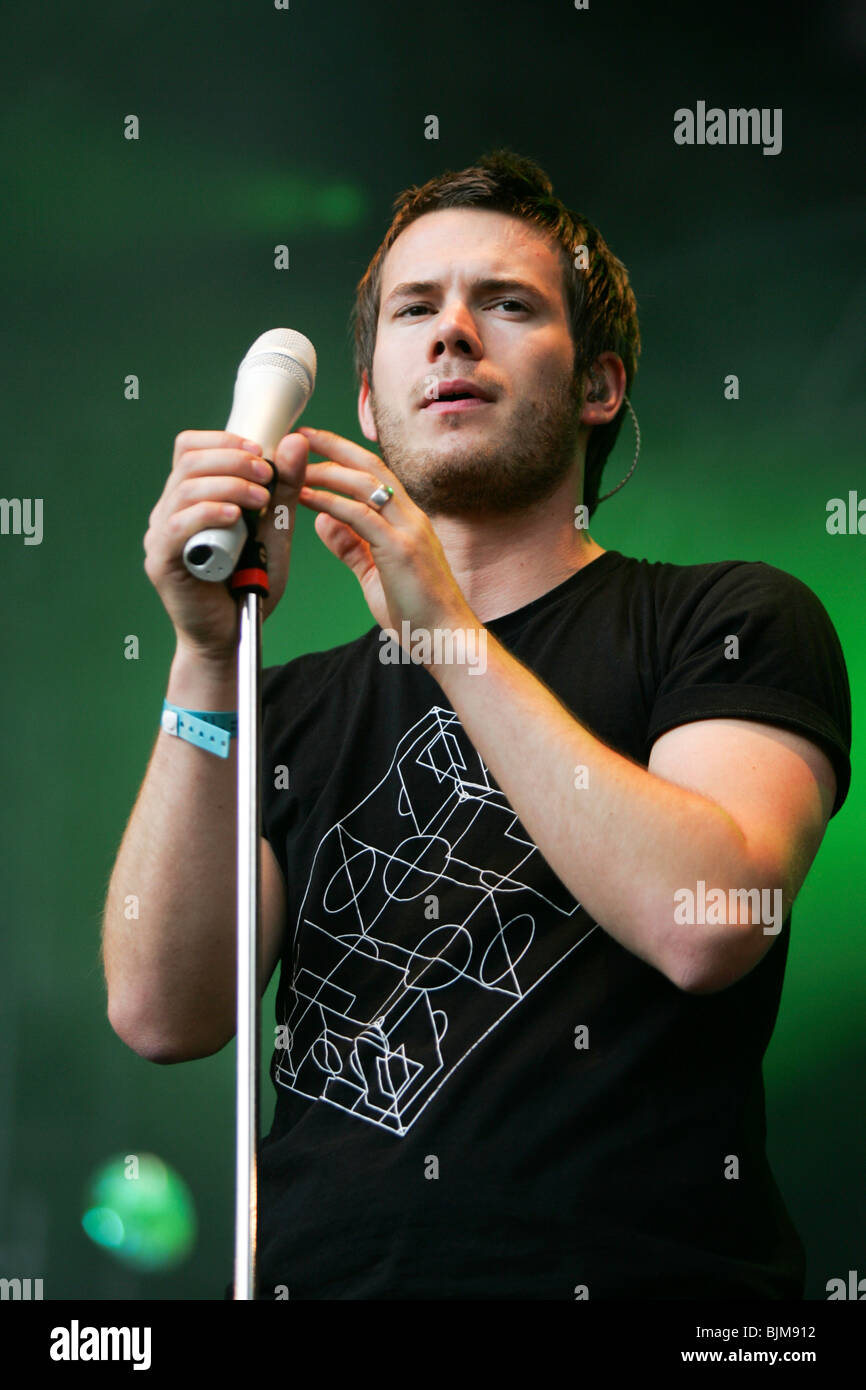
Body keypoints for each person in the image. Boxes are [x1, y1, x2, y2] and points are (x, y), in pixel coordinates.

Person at [101, 150, 851, 1300]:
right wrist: (206, 659)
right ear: (365, 400)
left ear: (598, 385)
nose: (451, 333)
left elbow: (705, 921)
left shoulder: (727, 619)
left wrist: (447, 635)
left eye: (504, 303)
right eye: (415, 309)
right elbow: (163, 1009)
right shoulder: (289, 702)